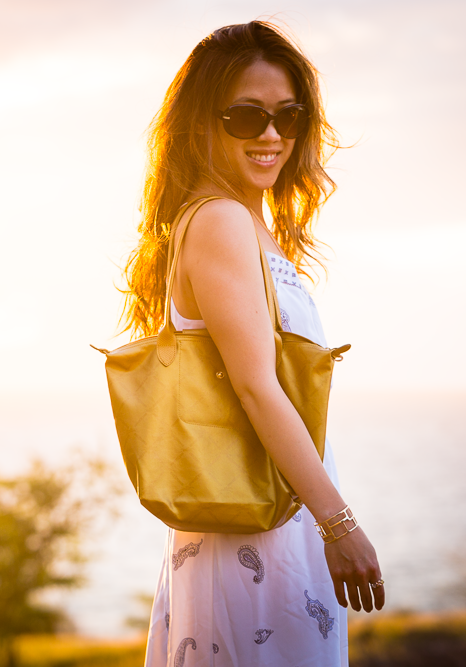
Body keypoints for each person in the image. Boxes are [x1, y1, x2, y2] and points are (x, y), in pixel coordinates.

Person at [120, 21, 385, 666]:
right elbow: (256, 387)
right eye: (246, 116)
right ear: (202, 124)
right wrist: (340, 525)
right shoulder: (219, 220)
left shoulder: (242, 220)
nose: (271, 135)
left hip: (272, 513)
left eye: (288, 116)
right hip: (258, 532)